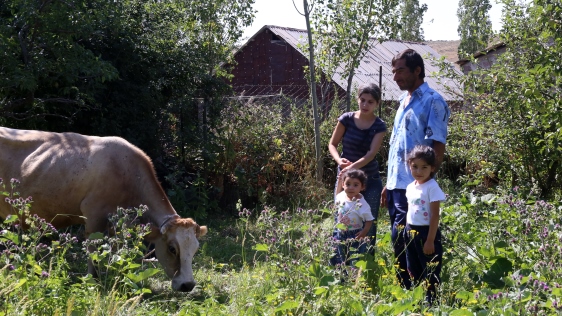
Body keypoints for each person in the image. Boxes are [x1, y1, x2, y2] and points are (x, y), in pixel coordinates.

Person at [380, 49, 450, 289]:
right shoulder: (403, 102)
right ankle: (407, 291)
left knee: (412, 239)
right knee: (399, 238)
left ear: (417, 70)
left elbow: (437, 144)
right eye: (393, 71)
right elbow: (398, 146)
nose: (395, 76)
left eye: (400, 70)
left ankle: (424, 290)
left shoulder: (433, 101)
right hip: (397, 185)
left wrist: (427, 183)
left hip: (416, 185)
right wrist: (388, 183)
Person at [328, 83, 386, 251]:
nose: (365, 105)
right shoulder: (346, 119)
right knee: (341, 218)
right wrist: (340, 161)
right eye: (362, 100)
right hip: (345, 180)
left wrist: (351, 168)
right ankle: (339, 263)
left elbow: (371, 154)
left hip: (370, 180)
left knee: (369, 223)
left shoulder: (379, 125)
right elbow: (332, 144)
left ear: (377, 104)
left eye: (370, 102)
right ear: (357, 99)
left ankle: (364, 266)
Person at [404, 145, 446, 305]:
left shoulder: (432, 187)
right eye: (414, 167)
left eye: (424, 167)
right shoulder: (410, 187)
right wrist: (407, 232)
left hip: (427, 233)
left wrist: (430, 240)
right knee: (413, 268)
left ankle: (432, 303)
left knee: (430, 269)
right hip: (410, 232)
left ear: (432, 168)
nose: (418, 171)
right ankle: (418, 299)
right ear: (409, 165)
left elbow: (435, 215)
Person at [331, 169, 373, 266]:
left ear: (362, 187)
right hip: (340, 232)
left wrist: (364, 232)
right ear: (343, 185)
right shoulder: (341, 196)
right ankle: (340, 274)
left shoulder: (362, 204)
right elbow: (336, 196)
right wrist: (339, 179)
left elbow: (369, 220)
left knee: (355, 257)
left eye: (355, 185)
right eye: (348, 184)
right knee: (338, 254)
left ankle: (354, 277)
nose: (351, 188)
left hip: (355, 233)